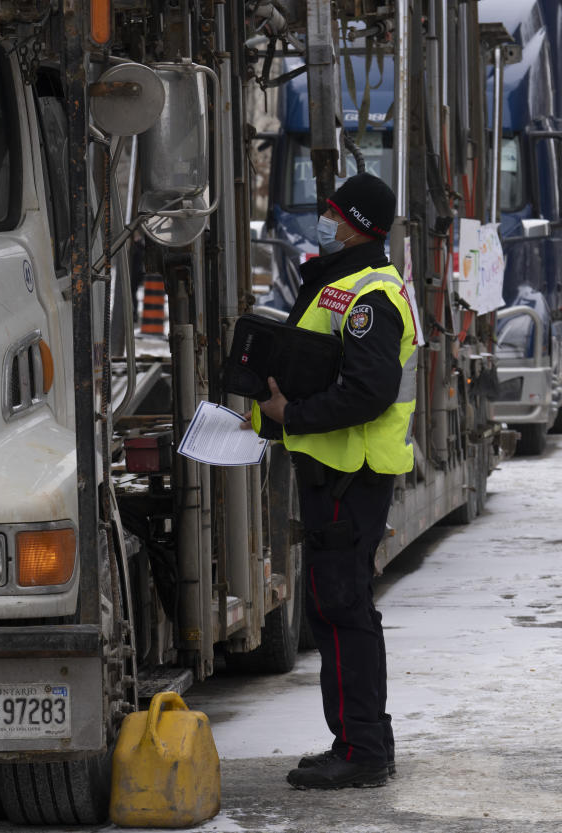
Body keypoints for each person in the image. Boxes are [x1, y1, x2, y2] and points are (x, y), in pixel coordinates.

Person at [247, 172, 417, 790]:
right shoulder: (347, 283)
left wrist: (293, 415)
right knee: (347, 610)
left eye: (332, 212)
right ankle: (370, 740)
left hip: (351, 474)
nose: (324, 219)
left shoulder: (370, 294)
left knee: (340, 610)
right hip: (339, 472)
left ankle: (360, 750)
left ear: (356, 224)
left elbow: (368, 391)